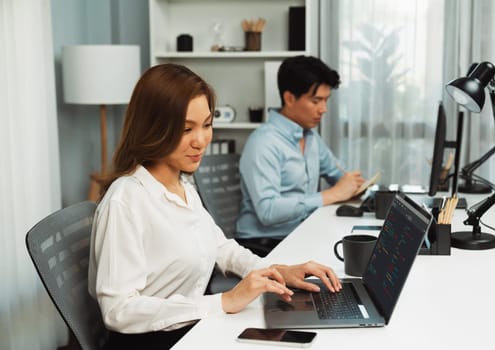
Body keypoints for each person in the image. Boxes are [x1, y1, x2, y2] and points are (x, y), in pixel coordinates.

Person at [87, 63, 342, 350]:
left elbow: (222, 249)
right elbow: (118, 310)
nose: (201, 140)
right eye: (186, 129)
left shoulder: (183, 185)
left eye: (207, 125)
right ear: (153, 128)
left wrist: (278, 271)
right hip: (154, 341)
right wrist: (224, 301)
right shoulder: (126, 200)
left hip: (192, 329)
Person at [236, 55, 365, 252]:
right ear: (289, 98)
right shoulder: (263, 142)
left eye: (326, 100)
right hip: (265, 244)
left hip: (300, 233)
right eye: (316, 101)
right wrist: (331, 195)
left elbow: (337, 173)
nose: (324, 109)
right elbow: (267, 211)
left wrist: (353, 184)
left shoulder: (311, 137)